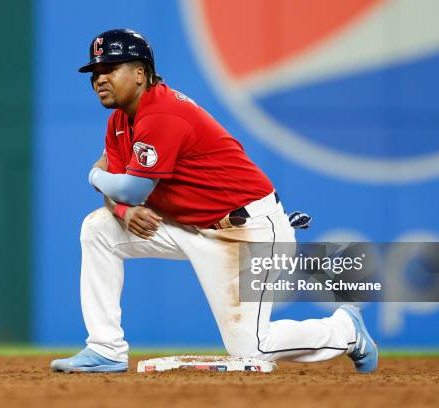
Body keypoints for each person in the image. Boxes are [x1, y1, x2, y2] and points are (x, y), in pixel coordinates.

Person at [50, 29, 378, 374]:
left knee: (253, 347)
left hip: (248, 231)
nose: (100, 78)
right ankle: (106, 349)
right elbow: (118, 195)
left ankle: (345, 330)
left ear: (140, 73)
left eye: (111, 69)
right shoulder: (118, 121)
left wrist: (94, 176)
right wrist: (121, 210)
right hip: (189, 227)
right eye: (96, 73)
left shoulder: (163, 113)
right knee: (99, 228)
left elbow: (129, 189)